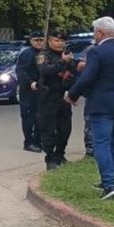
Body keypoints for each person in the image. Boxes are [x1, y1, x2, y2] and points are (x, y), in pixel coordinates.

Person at [66, 17, 114, 200]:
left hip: (102, 104)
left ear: (99, 32)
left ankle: (110, 185)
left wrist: (72, 94)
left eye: (94, 32)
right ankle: (109, 179)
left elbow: (87, 77)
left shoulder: (96, 52)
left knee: (101, 144)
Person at [36, 30, 77, 170]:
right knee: (48, 129)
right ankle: (50, 158)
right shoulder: (43, 56)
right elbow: (45, 71)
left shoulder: (67, 55)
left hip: (63, 96)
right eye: (56, 40)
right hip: (48, 97)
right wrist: (62, 62)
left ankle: (60, 154)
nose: (60, 43)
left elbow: (73, 72)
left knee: (65, 128)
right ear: (49, 41)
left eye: (62, 41)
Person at [15, 31, 45, 152]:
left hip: (42, 89)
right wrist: (30, 82)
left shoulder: (44, 53)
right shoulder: (27, 54)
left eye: (41, 40)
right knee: (29, 116)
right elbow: (21, 71)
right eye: (36, 40)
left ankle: (38, 140)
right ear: (31, 41)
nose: (39, 42)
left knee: (40, 116)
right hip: (29, 90)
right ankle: (28, 142)